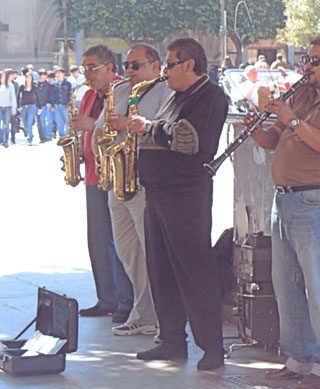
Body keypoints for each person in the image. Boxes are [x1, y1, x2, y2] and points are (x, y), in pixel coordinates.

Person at [245, 36, 320, 388]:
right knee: (287, 285)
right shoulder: (302, 93)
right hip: (285, 200)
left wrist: (294, 120)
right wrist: (255, 126)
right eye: (306, 59)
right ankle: (298, 359)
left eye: (315, 60)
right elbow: (273, 141)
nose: (307, 66)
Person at [128, 37, 228, 371]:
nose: (165, 71)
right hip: (158, 193)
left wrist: (147, 127)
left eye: (170, 64)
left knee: (194, 270)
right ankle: (170, 340)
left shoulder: (211, 97)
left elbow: (189, 140)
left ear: (189, 64)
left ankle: (211, 347)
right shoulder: (175, 96)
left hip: (186, 194)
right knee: (162, 269)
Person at [93, 43, 171, 337]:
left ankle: (164, 318)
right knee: (128, 252)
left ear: (155, 65)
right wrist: (102, 145)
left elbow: (167, 128)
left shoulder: (166, 91)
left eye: (135, 65)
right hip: (119, 180)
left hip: (145, 180)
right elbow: (101, 129)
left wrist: (131, 124)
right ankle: (143, 312)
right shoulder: (120, 91)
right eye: (126, 66)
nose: (129, 71)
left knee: (152, 250)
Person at [70, 45, 134, 324]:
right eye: (84, 68)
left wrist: (89, 124)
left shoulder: (124, 90)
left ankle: (125, 300)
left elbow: (121, 125)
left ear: (110, 68)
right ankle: (105, 298)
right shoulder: (87, 95)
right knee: (97, 241)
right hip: (93, 174)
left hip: (116, 173)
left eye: (92, 67)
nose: (87, 73)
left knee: (119, 242)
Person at [17, 72, 41, 145]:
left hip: (32, 106)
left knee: (29, 122)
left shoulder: (35, 87)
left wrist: (39, 107)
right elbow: (18, 96)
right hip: (24, 106)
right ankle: (29, 134)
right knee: (24, 123)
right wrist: (18, 106)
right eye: (27, 77)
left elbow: (37, 97)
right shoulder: (22, 87)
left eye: (30, 77)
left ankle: (29, 138)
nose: (28, 79)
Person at [51, 67, 71, 138]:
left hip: (65, 105)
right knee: (59, 122)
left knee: (67, 122)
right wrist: (52, 105)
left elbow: (70, 94)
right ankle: (62, 137)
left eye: (59, 73)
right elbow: (52, 95)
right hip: (57, 105)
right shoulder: (54, 84)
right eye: (56, 73)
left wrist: (69, 105)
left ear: (63, 73)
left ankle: (68, 136)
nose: (57, 75)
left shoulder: (68, 84)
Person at [0, 71, 17, 148]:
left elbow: (13, 97)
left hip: (8, 107)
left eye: (4, 76)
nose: (3, 78)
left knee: (6, 124)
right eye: (2, 76)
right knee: (0, 125)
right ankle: (1, 139)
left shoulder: (10, 86)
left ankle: (6, 140)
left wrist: (14, 108)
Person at [36, 69, 54, 143]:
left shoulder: (48, 85)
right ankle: (42, 136)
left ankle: (48, 135)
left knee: (46, 120)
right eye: (42, 76)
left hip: (45, 105)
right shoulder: (35, 84)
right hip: (37, 105)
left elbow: (51, 95)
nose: (43, 78)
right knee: (39, 122)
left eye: (44, 76)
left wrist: (49, 102)